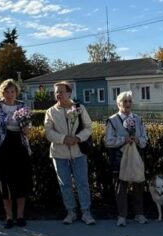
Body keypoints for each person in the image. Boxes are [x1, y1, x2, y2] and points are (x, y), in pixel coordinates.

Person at [0, 79, 33, 229]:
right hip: (2, 148)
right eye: (6, 91)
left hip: (20, 147)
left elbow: (28, 126)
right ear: (1, 92)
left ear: (16, 92)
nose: (10, 94)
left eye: (12, 91)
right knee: (5, 183)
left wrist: (26, 129)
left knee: (21, 182)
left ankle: (20, 216)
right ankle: (9, 217)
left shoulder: (22, 105)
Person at [44, 81, 95, 225]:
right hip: (59, 154)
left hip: (78, 152)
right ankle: (71, 212)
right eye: (56, 92)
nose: (58, 94)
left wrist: (78, 138)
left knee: (82, 183)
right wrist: (63, 139)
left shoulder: (79, 108)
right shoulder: (50, 111)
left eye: (61, 91)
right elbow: (48, 132)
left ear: (69, 93)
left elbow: (89, 127)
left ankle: (86, 212)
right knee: (65, 184)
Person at [104, 91, 149, 226]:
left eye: (129, 101)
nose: (127, 104)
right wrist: (123, 139)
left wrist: (138, 140)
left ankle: (139, 214)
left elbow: (145, 139)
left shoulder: (138, 119)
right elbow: (108, 141)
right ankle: (122, 216)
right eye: (124, 101)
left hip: (136, 157)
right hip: (119, 158)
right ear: (118, 104)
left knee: (138, 186)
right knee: (121, 187)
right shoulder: (112, 120)